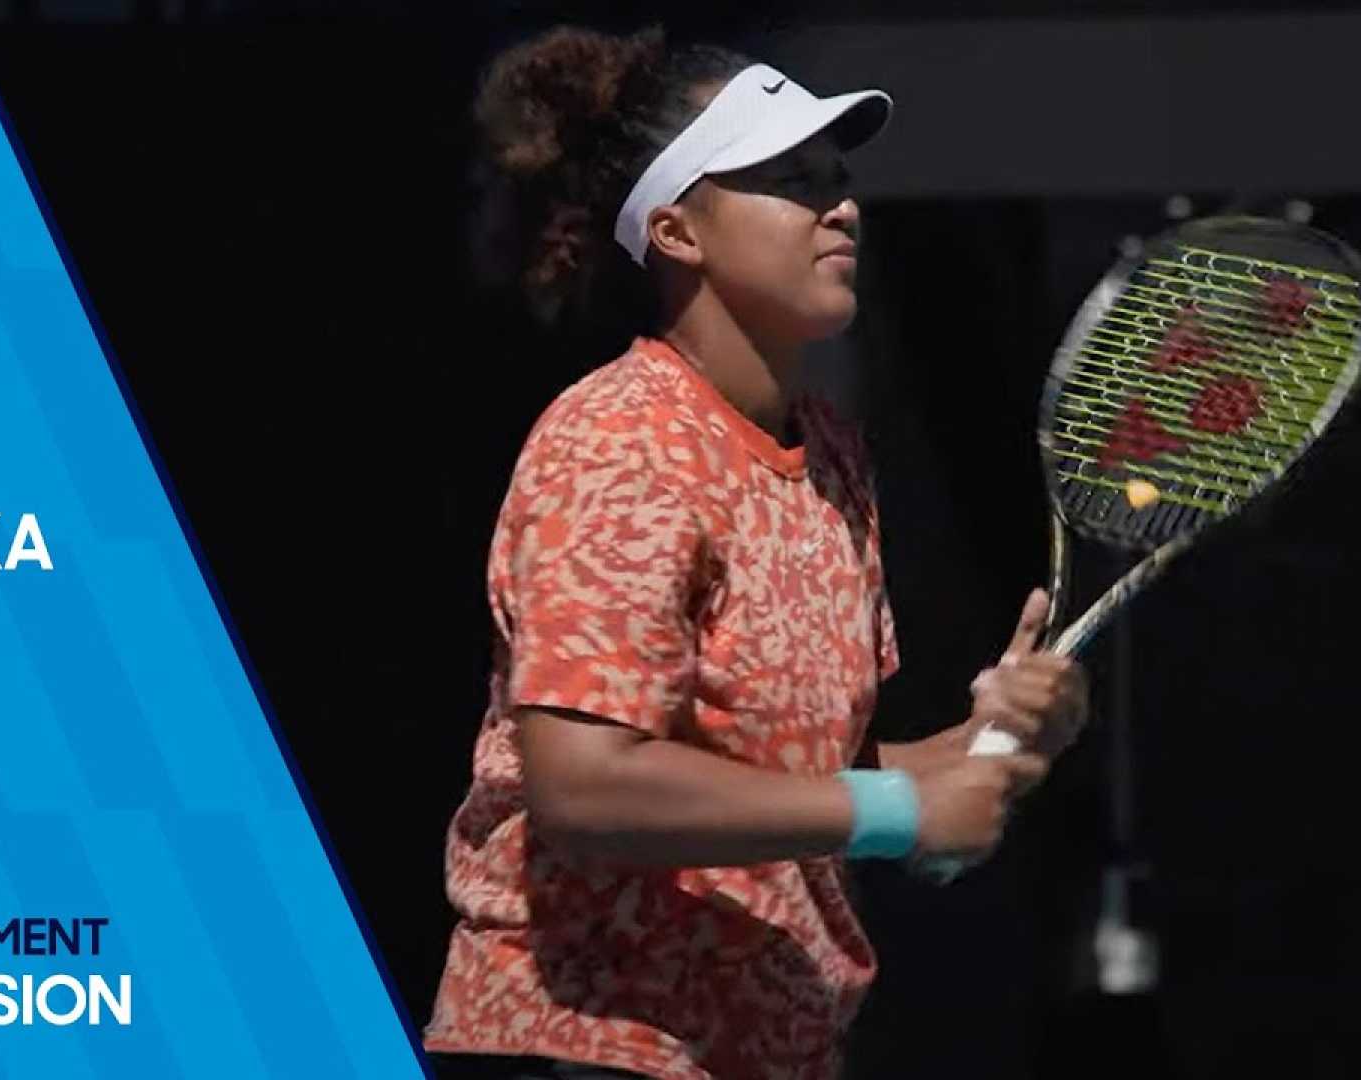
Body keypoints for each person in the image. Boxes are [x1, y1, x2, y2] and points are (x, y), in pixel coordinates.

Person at [424, 25, 1090, 1080]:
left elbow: (801, 783)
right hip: (590, 1051)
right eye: (788, 178)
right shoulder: (618, 444)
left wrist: (983, 748)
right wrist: (897, 809)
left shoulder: (830, 452)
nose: (842, 205)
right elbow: (585, 786)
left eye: (835, 175)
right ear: (680, 231)